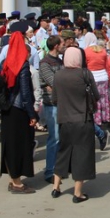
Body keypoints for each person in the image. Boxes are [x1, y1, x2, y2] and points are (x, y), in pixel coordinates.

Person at [51, 47, 98, 203]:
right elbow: (96, 95)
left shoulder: (58, 75)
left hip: (64, 119)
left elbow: (54, 99)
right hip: (83, 119)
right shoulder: (85, 74)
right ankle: (77, 193)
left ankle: (56, 187)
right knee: (82, 154)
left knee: (63, 152)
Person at [0, 30, 38, 194]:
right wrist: (32, 114)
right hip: (19, 109)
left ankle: (12, 178)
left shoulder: (6, 62)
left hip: (7, 108)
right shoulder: (23, 64)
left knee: (9, 144)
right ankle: (17, 183)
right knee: (20, 145)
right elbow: (25, 92)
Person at [39, 35, 64, 182]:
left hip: (62, 102)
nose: (64, 46)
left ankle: (59, 169)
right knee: (54, 138)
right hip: (51, 104)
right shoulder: (45, 63)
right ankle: (50, 171)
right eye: (62, 44)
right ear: (56, 46)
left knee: (62, 137)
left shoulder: (60, 61)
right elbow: (54, 81)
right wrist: (54, 85)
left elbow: (62, 80)